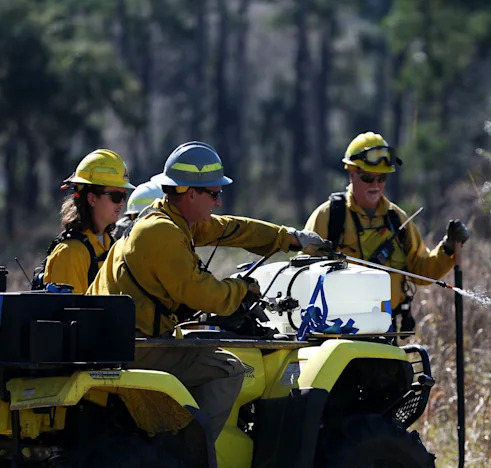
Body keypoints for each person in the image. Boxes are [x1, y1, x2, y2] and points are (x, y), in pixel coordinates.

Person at [89, 141, 330, 438]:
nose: (218, 202)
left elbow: (231, 229)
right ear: (191, 194)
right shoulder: (162, 232)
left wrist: (288, 238)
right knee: (229, 369)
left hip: (118, 341)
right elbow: (204, 294)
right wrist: (243, 289)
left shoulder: (168, 218)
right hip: (133, 347)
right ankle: (188, 454)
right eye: (214, 194)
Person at [304, 132, 470, 332]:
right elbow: (303, 272)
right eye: (367, 178)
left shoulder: (397, 219)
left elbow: (423, 271)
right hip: (335, 331)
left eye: (381, 178)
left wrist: (448, 247)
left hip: (385, 330)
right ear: (352, 174)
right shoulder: (329, 216)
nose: (375, 185)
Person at [36, 149, 135, 293]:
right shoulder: (70, 253)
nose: (121, 203)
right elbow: (70, 312)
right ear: (92, 198)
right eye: (115, 196)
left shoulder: (112, 245)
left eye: (123, 196)